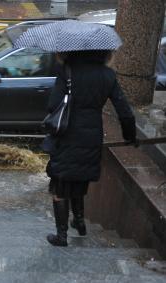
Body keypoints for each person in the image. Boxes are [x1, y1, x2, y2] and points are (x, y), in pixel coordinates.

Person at [43, 50, 136, 247]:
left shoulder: (67, 71)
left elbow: (53, 105)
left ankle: (61, 236)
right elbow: (124, 110)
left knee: (61, 184)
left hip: (67, 135)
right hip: (92, 135)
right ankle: (79, 222)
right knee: (79, 179)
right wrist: (130, 136)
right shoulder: (107, 75)